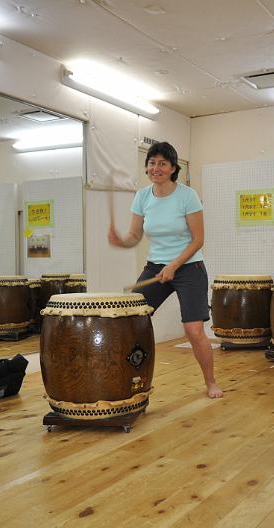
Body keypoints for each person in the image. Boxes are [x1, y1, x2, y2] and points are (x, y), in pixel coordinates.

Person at [109, 142, 223, 399]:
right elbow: (135, 235)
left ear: (173, 168)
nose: (156, 168)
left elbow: (198, 239)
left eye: (162, 163)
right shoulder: (142, 196)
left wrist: (174, 265)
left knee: (193, 330)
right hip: (155, 267)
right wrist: (121, 240)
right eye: (152, 163)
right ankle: (133, 381)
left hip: (189, 268)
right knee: (132, 319)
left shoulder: (187, 195)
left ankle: (211, 382)